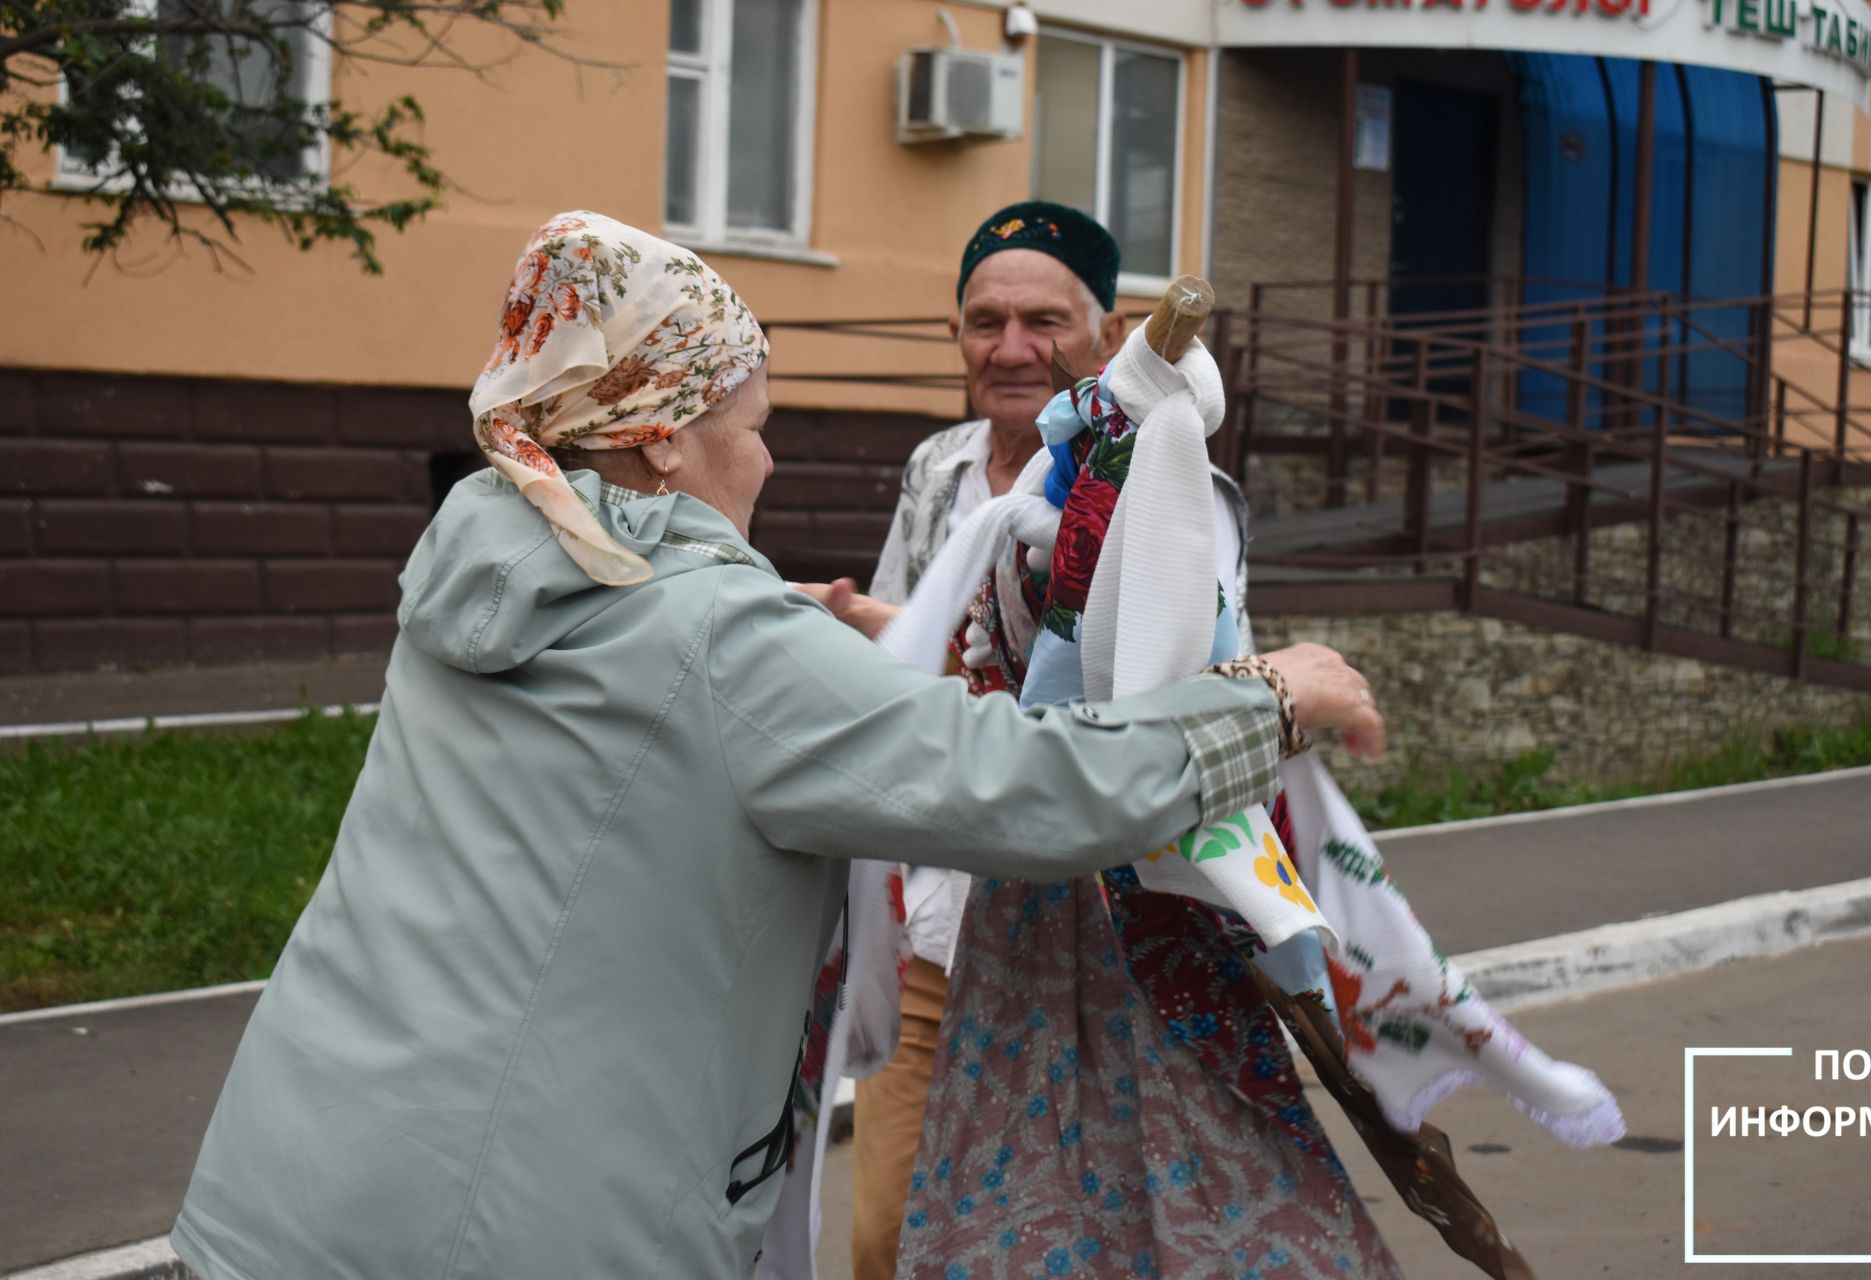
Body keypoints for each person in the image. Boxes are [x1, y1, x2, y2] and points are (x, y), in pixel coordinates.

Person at [166, 211, 1384, 1280]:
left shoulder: (477, 566)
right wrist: (1265, 697)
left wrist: (791, 644)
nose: (768, 456)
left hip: (285, 1187)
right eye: (750, 425)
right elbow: (1030, 785)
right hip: (518, 1230)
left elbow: (641, 726)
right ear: (659, 440)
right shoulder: (714, 640)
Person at [853, 202, 1255, 1280]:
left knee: (1074, 1239)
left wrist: (933, 657)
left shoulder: (1172, 487)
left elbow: (1169, 698)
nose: (1012, 347)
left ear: (1107, 326)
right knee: (878, 1238)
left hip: (1088, 937)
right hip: (934, 919)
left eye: (1043, 318)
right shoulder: (938, 467)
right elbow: (909, 643)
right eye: (985, 319)